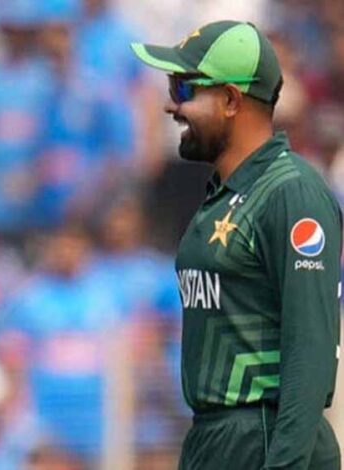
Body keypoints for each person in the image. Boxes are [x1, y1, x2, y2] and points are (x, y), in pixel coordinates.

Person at [131, 20, 342, 469]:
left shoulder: (291, 192)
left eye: (185, 89)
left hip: (264, 438)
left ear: (230, 99)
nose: (172, 105)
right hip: (216, 439)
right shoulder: (223, 196)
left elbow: (311, 350)